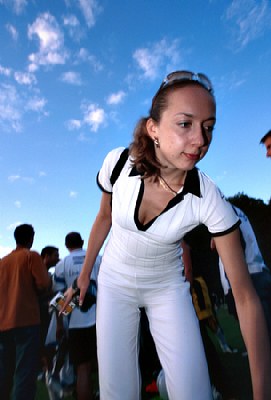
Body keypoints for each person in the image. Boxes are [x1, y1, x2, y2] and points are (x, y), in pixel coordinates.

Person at [62, 70, 271, 399]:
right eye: (185, 123)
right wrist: (86, 274)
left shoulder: (208, 198)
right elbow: (104, 216)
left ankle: (166, 383)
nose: (201, 140)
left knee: (195, 392)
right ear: (153, 129)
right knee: (119, 392)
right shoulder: (117, 163)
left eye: (208, 127)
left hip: (167, 288)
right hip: (115, 283)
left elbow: (245, 298)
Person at [0, 224, 51, 400]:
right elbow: (44, 284)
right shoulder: (31, 256)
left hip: (3, 324)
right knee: (25, 373)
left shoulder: (3, 262)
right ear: (31, 238)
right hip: (26, 322)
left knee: (4, 373)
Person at [53, 232, 100, 400]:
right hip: (99, 319)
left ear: (66, 246)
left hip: (75, 323)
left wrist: (60, 324)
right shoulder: (97, 258)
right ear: (82, 242)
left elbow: (60, 298)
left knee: (82, 368)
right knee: (104, 364)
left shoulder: (62, 265)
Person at [214, 205, 271, 342]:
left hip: (249, 278)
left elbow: (237, 243)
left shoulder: (221, 211)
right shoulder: (235, 209)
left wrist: (233, 283)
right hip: (258, 272)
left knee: (261, 338)